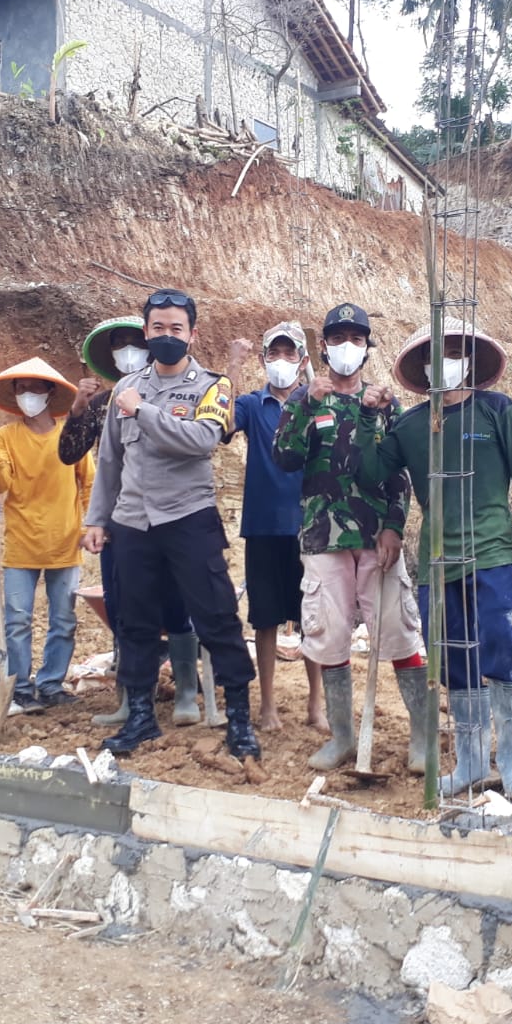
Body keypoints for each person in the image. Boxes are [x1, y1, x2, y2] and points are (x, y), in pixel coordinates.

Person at [358, 320, 512, 799]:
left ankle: (507, 758)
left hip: (491, 552)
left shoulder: (496, 411)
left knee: (499, 643)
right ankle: (469, 762)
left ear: (469, 359)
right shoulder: (409, 426)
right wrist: (368, 420)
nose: (443, 361)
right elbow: (369, 473)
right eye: (434, 353)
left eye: (452, 351)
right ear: (423, 367)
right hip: (437, 561)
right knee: (451, 659)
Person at [80, 289, 261, 759]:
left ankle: (239, 719)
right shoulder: (125, 388)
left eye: (176, 329)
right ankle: (140, 716)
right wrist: (98, 519)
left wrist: (144, 410)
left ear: (192, 334)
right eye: (157, 328)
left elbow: (201, 441)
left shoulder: (213, 387)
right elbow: (110, 459)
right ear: (146, 332)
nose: (166, 336)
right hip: (132, 523)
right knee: (133, 622)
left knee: (217, 616)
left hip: (187, 517)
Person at [273, 304, 429, 773]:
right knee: (329, 637)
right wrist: (303, 404)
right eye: (338, 338)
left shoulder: (384, 403)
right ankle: (342, 737)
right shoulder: (306, 400)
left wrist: (395, 527)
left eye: (356, 339)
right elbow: (284, 459)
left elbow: (400, 474)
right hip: (323, 537)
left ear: (367, 347)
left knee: (400, 636)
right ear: (322, 346)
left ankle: (421, 738)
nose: (347, 347)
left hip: (376, 539)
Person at [61, 315, 204, 727]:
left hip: (171, 515)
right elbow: (75, 455)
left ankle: (187, 694)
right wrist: (77, 410)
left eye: (133, 342)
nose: (128, 351)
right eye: (119, 345)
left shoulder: (182, 392)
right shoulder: (109, 400)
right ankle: (129, 696)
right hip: (123, 522)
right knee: (124, 607)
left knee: (177, 602)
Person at [0, 357, 91, 713]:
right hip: (23, 542)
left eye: (34, 388)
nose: (27, 394)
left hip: (65, 539)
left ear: (50, 392)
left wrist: (88, 527)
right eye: (21, 388)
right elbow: (0, 484)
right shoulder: (8, 437)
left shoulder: (69, 433)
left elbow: (87, 484)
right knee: (17, 620)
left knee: (63, 620)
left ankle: (52, 683)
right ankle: (20, 686)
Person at [226, 322, 323, 732]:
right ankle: (267, 705)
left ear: (303, 362)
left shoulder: (316, 402)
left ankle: (315, 706)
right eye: (273, 354)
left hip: (310, 528)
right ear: (264, 360)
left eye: (289, 354)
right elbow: (223, 423)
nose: (280, 361)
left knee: (312, 619)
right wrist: (231, 365)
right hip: (264, 526)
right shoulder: (251, 404)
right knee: (264, 619)